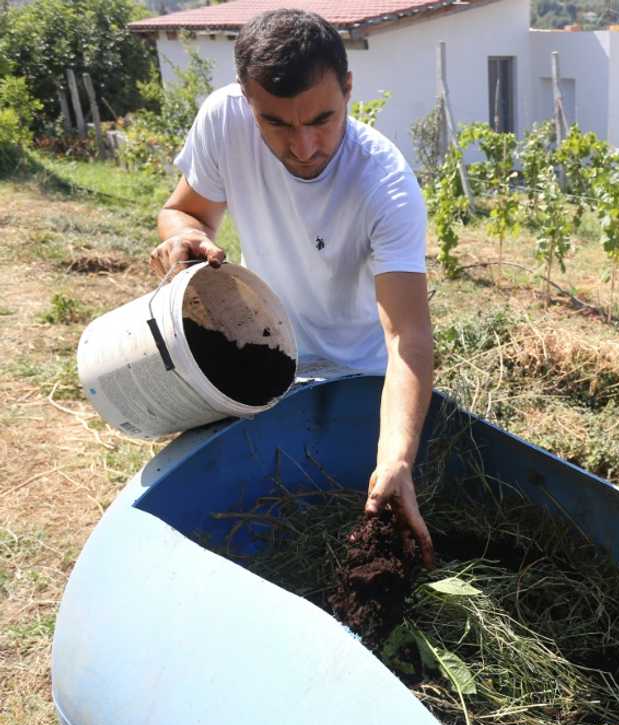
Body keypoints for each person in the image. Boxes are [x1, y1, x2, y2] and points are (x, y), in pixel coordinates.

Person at [148, 9, 434, 567]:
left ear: (349, 89)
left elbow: (408, 337)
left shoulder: (385, 185)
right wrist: (184, 238)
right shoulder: (224, 120)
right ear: (246, 100)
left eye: (323, 119)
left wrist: (396, 458)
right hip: (269, 363)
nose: (303, 146)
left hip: (363, 383)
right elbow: (185, 211)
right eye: (276, 124)